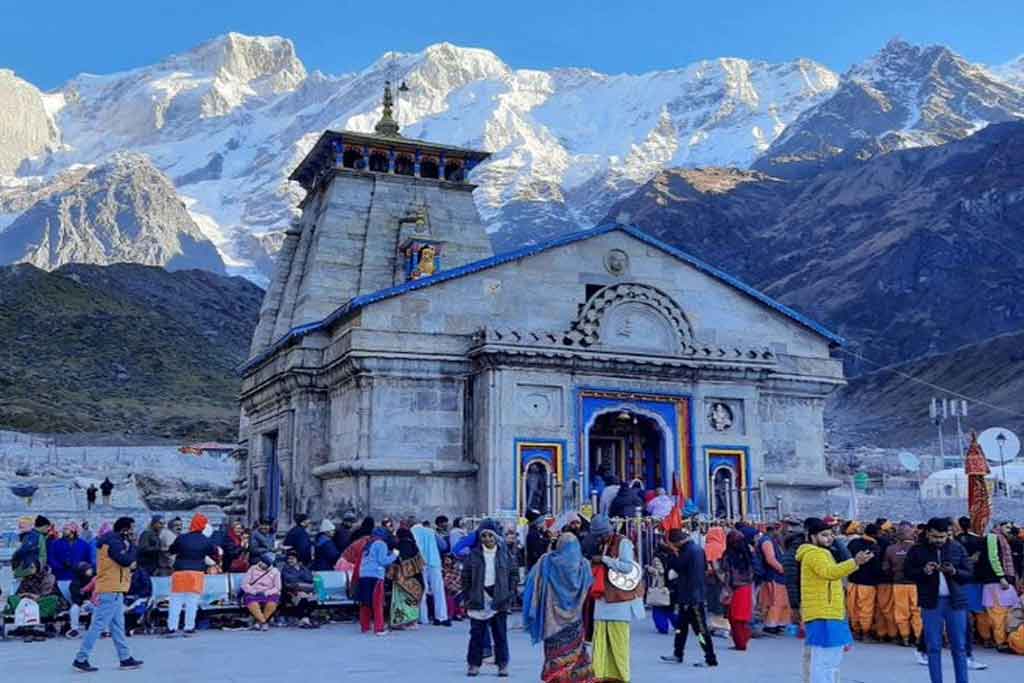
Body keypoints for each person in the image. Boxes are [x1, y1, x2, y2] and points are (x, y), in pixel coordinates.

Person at [796, 517, 873, 683]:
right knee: (824, 661)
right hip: (824, 613)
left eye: (831, 535)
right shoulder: (814, 553)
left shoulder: (822, 552)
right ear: (811, 536)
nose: (829, 538)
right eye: (824, 535)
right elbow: (829, 572)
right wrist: (854, 562)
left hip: (828, 612)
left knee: (829, 661)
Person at [72, 516, 143, 673]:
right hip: (110, 589)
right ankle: (81, 658)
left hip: (115, 589)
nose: (133, 532)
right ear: (125, 529)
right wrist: (133, 546)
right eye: (131, 528)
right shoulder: (113, 542)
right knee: (97, 626)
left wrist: (130, 548)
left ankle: (125, 658)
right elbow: (125, 561)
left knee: (118, 626)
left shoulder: (113, 540)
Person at [905, 517, 972, 683]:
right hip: (931, 603)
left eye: (942, 537)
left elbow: (969, 574)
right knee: (933, 647)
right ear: (928, 533)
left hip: (955, 603)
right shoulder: (917, 550)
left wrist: (954, 571)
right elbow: (907, 572)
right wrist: (924, 571)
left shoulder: (957, 548)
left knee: (959, 647)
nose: (939, 540)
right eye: (935, 537)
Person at [523, 532, 595, 682]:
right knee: (576, 656)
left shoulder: (546, 562)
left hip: (552, 623)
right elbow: (590, 590)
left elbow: (531, 587)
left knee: (555, 656)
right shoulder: (584, 565)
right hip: (575, 620)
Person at [589, 514, 644, 683]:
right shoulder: (603, 543)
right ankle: (601, 675)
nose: (600, 538)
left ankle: (620, 677)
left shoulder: (624, 543)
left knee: (618, 644)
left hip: (619, 602)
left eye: (602, 534)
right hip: (603, 599)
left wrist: (604, 560)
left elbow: (628, 567)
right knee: (600, 643)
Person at [661, 528, 718, 667]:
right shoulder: (697, 549)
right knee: (681, 628)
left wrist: (672, 553)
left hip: (691, 598)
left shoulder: (687, 551)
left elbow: (676, 566)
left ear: (677, 542)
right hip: (692, 595)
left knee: (700, 631)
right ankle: (678, 653)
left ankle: (710, 658)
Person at [463, 521, 514, 677]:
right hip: (479, 597)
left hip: (499, 598)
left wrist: (509, 593)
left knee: (500, 633)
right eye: (483, 536)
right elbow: (465, 577)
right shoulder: (474, 555)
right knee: (477, 634)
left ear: (496, 536)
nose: (487, 539)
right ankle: (473, 664)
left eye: (490, 535)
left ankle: (502, 664)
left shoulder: (505, 554)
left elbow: (513, 574)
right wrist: (468, 596)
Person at [166, 513, 218, 637]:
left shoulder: (182, 538)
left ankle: (172, 627)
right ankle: (189, 627)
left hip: (180, 572)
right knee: (192, 601)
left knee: (176, 601)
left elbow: (171, 550)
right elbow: (213, 552)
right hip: (197, 573)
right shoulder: (206, 540)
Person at [978, 520, 1020, 653]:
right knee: (999, 614)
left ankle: (1007, 640)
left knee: (1009, 611)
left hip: (1003, 581)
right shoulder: (993, 537)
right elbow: (993, 557)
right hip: (996, 581)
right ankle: (1000, 642)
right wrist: (1000, 576)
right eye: (1006, 526)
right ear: (997, 526)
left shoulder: (1004, 540)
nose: (1009, 529)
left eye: (1010, 527)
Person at [882, 523, 923, 647]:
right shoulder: (919, 548)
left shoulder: (890, 549)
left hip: (898, 584)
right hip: (916, 585)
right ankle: (918, 637)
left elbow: (885, 568)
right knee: (917, 612)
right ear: (912, 533)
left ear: (898, 534)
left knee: (901, 612)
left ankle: (904, 637)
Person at [718, 529, 756, 651]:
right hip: (747, 587)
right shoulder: (747, 553)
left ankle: (740, 643)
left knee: (734, 618)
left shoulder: (728, 555)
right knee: (742, 617)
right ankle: (743, 639)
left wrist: (726, 589)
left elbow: (726, 573)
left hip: (735, 589)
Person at [846, 523, 883, 640]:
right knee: (866, 608)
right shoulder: (875, 547)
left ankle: (855, 630)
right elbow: (877, 566)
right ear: (875, 534)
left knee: (853, 607)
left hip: (852, 581)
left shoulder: (853, 543)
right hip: (867, 583)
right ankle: (865, 632)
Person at [359, 528, 398, 635]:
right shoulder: (381, 544)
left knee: (365, 602)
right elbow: (382, 561)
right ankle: (379, 628)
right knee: (377, 602)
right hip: (375, 575)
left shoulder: (367, 545)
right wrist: (394, 555)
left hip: (363, 575)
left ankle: (365, 627)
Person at [413, 520, 450, 626]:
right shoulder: (431, 531)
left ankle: (423, 618)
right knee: (438, 590)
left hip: (419, 563)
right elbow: (443, 546)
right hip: (434, 562)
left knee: (421, 590)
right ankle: (441, 617)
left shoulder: (412, 532)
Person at [757, 523, 792, 635]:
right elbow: (770, 559)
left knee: (778, 602)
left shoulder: (770, 540)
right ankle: (771, 625)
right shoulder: (767, 541)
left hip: (775, 575)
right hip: (774, 576)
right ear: (776, 530)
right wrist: (782, 569)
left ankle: (777, 624)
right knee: (776, 602)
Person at [389, 527, 426, 629]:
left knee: (401, 601)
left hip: (402, 579)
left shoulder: (400, 545)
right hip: (416, 579)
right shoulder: (414, 545)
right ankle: (413, 622)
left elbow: (397, 560)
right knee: (412, 600)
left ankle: (402, 622)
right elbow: (419, 564)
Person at [49, 522, 92, 600]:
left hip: (78, 579)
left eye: (66, 529)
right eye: (64, 529)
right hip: (60, 577)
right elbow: (51, 559)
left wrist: (82, 569)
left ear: (73, 531)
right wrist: (60, 566)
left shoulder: (84, 545)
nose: (63, 531)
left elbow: (88, 561)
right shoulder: (55, 543)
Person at [241, 552, 281, 630]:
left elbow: (277, 587)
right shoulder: (252, 569)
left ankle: (258, 622)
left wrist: (266, 593)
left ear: (269, 565)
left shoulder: (275, 572)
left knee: (272, 603)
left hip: (268, 593)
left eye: (264, 563)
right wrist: (253, 591)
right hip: (253, 592)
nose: (261, 564)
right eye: (261, 561)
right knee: (251, 601)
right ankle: (263, 622)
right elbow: (244, 584)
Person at [281, 551, 318, 628]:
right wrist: (300, 584)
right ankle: (305, 619)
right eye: (288, 559)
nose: (290, 560)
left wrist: (301, 585)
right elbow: (289, 582)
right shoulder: (286, 569)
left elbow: (310, 579)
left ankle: (304, 619)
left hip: (305, 590)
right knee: (302, 598)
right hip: (290, 592)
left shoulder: (303, 568)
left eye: (292, 559)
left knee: (313, 599)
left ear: (297, 560)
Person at [67, 561, 95, 638]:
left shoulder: (94, 580)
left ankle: (97, 629)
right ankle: (75, 630)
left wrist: (90, 600)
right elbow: (75, 596)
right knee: (74, 609)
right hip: (80, 603)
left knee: (98, 609)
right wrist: (81, 602)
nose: (91, 570)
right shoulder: (75, 583)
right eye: (88, 569)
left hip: (93, 602)